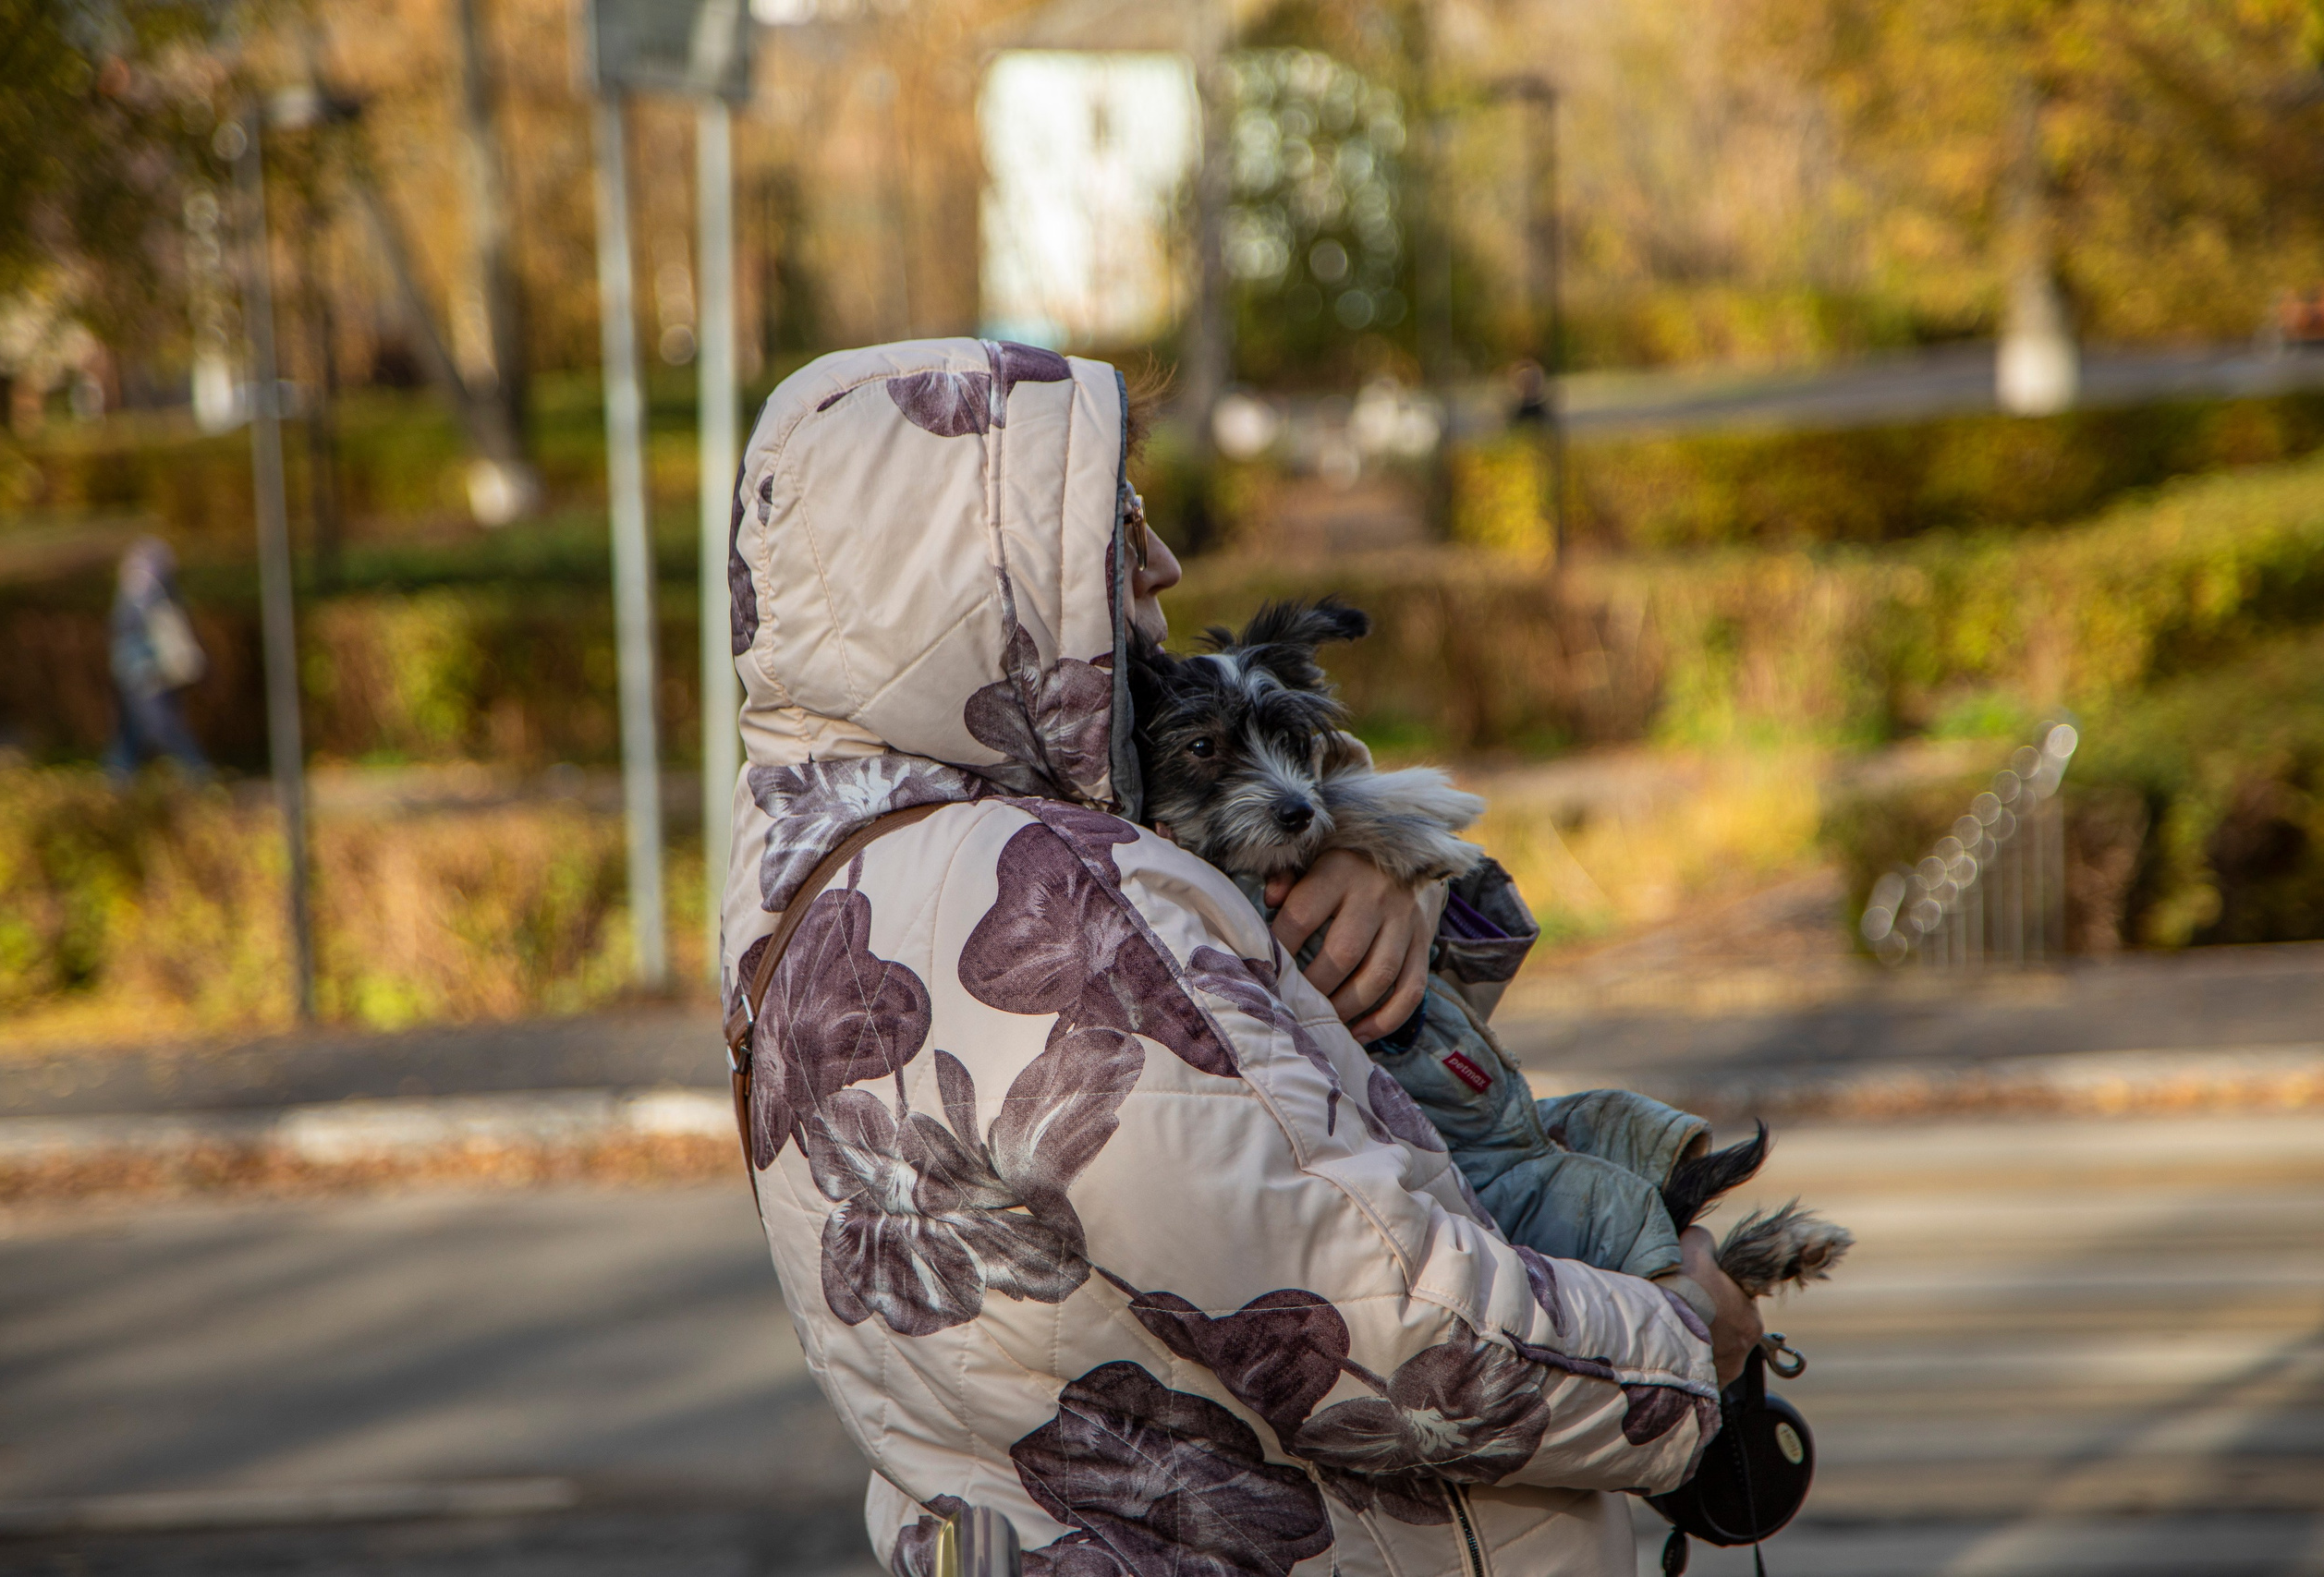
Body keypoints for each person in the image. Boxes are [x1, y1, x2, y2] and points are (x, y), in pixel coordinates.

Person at [721, 340, 1758, 1577]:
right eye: (1115, 523)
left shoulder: (832, 863)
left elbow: (1355, 1071)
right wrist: (1683, 1344)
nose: (1163, 561)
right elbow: (1383, 1333)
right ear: (963, 575)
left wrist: (1369, 850)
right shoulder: (1056, 896)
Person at [103, 538, 211, 782]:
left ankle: (196, 771)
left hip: (148, 672)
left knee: (158, 725)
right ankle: (119, 774)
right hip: (137, 672)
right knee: (133, 728)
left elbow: (130, 630)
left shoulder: (144, 591)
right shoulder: (145, 590)